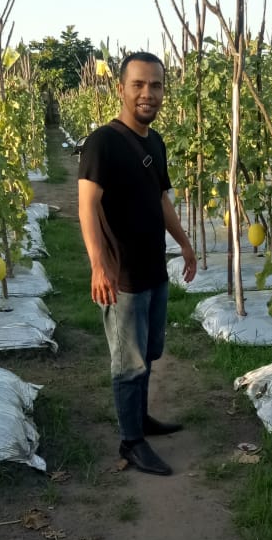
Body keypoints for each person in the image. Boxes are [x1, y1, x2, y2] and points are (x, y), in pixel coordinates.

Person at [78, 52, 197, 476]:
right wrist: (98, 265)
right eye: (139, 85)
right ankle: (131, 442)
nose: (148, 93)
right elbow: (87, 206)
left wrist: (184, 243)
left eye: (156, 85)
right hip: (122, 274)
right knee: (128, 361)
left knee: (148, 351)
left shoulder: (155, 142)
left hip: (153, 267)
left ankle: (140, 419)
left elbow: (160, 198)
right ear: (121, 89)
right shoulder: (102, 143)